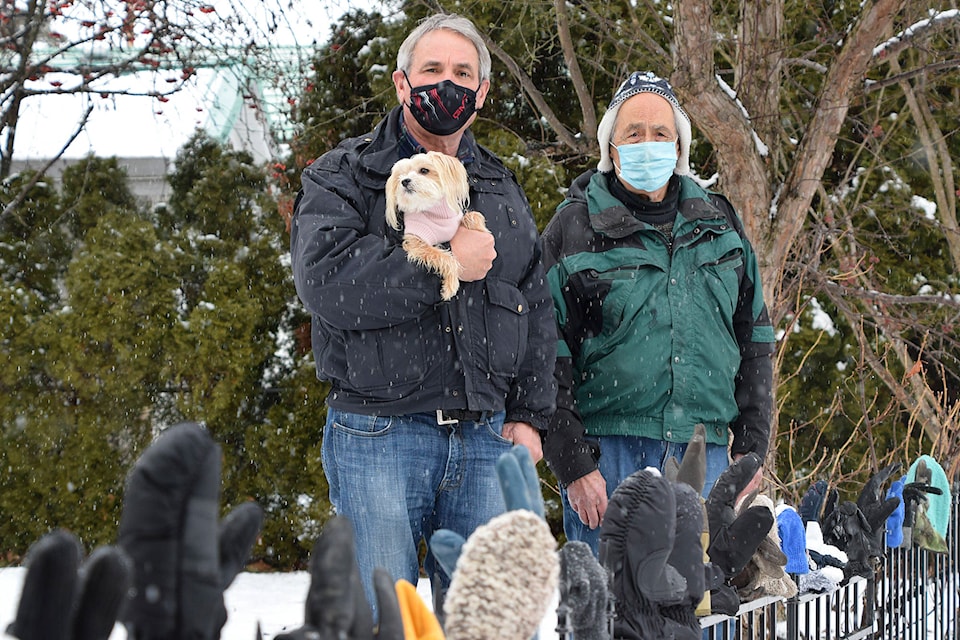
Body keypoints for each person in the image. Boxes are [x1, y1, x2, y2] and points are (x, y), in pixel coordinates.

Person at [289, 12, 556, 616]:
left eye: (464, 73)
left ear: (482, 94)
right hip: (380, 435)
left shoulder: (498, 185)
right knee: (385, 621)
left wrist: (533, 417)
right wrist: (445, 265)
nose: (449, 84)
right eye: (432, 69)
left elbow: (535, 306)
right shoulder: (345, 174)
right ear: (401, 82)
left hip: (487, 440)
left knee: (485, 625)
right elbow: (327, 282)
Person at [541, 70, 775, 555]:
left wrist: (751, 449)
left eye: (661, 133)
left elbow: (754, 338)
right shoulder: (574, 227)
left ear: (679, 145)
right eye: (633, 133)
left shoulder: (720, 224)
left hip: (706, 454)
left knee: (705, 611)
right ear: (612, 145)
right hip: (610, 459)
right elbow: (542, 356)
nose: (648, 143)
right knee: (614, 617)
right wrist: (574, 464)